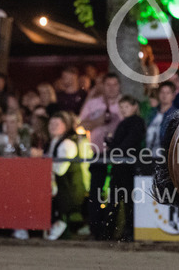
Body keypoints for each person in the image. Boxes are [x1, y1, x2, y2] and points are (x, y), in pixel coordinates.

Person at [79, 72, 122, 240]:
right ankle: (95, 230)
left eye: (114, 84)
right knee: (95, 193)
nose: (111, 88)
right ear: (103, 86)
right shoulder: (93, 103)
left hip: (118, 154)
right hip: (97, 153)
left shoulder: (125, 103)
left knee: (115, 194)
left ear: (119, 86)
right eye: (108, 85)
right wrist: (99, 122)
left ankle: (110, 232)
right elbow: (81, 124)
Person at [104, 96, 145, 241]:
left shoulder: (135, 122)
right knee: (121, 201)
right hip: (122, 166)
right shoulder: (127, 123)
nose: (123, 110)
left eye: (126, 106)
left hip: (128, 167)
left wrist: (114, 149)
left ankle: (123, 232)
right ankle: (118, 232)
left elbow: (128, 143)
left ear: (134, 107)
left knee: (125, 202)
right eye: (121, 107)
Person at [46, 111, 86, 240]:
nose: (53, 127)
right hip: (61, 188)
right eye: (51, 124)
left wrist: (43, 162)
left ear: (66, 126)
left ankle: (60, 223)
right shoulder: (54, 141)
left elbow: (60, 170)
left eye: (57, 124)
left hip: (69, 190)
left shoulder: (67, 144)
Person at [145, 81, 177, 155]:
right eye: (162, 92)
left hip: (165, 156)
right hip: (147, 155)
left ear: (173, 95)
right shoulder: (152, 112)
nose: (164, 95)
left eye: (168, 93)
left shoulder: (175, 115)